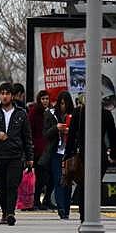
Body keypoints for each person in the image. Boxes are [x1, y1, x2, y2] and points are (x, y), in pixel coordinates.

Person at [0, 82, 34, 226]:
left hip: (16, 155)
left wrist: (30, 158)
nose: (4, 96)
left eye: (7, 93)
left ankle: (11, 212)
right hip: (0, 155)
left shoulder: (21, 114)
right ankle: (4, 212)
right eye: (2, 93)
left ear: (12, 96)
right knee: (2, 186)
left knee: (12, 184)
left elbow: (27, 137)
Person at [64, 98, 116, 223]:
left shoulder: (78, 113)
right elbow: (113, 137)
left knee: (83, 186)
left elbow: (71, 136)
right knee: (95, 186)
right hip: (100, 154)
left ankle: (84, 216)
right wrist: (113, 155)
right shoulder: (106, 114)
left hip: (83, 154)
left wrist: (67, 155)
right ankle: (93, 214)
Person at [42, 91, 73, 219]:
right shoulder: (50, 114)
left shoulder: (74, 115)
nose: (63, 107)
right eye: (61, 104)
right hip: (56, 152)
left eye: (65, 104)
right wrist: (56, 128)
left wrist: (70, 131)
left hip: (70, 153)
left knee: (68, 182)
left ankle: (66, 208)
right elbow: (46, 133)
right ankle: (61, 208)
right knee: (59, 180)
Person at [28, 90, 53, 211]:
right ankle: (36, 200)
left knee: (47, 177)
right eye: (43, 99)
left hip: (48, 149)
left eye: (47, 99)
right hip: (38, 150)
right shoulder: (34, 112)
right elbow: (29, 130)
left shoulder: (51, 112)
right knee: (40, 177)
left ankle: (44, 199)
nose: (45, 101)